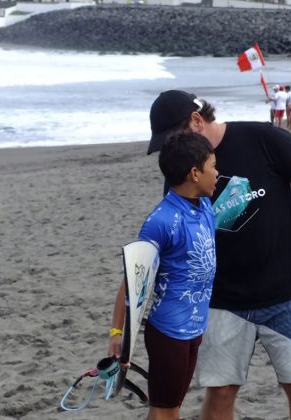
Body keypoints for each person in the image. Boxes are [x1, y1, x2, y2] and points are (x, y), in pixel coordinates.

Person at [146, 90, 291, 420]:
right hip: (223, 299)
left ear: (195, 120)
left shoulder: (264, 138)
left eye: (173, 137)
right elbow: (178, 236)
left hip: (288, 293)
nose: (170, 148)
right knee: (220, 391)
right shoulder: (181, 169)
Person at [108, 131, 218, 420]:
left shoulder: (205, 206)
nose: (218, 173)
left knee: (168, 407)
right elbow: (132, 281)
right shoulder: (161, 221)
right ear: (194, 173)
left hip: (195, 328)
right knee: (165, 411)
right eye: (213, 166)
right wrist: (117, 333)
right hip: (169, 333)